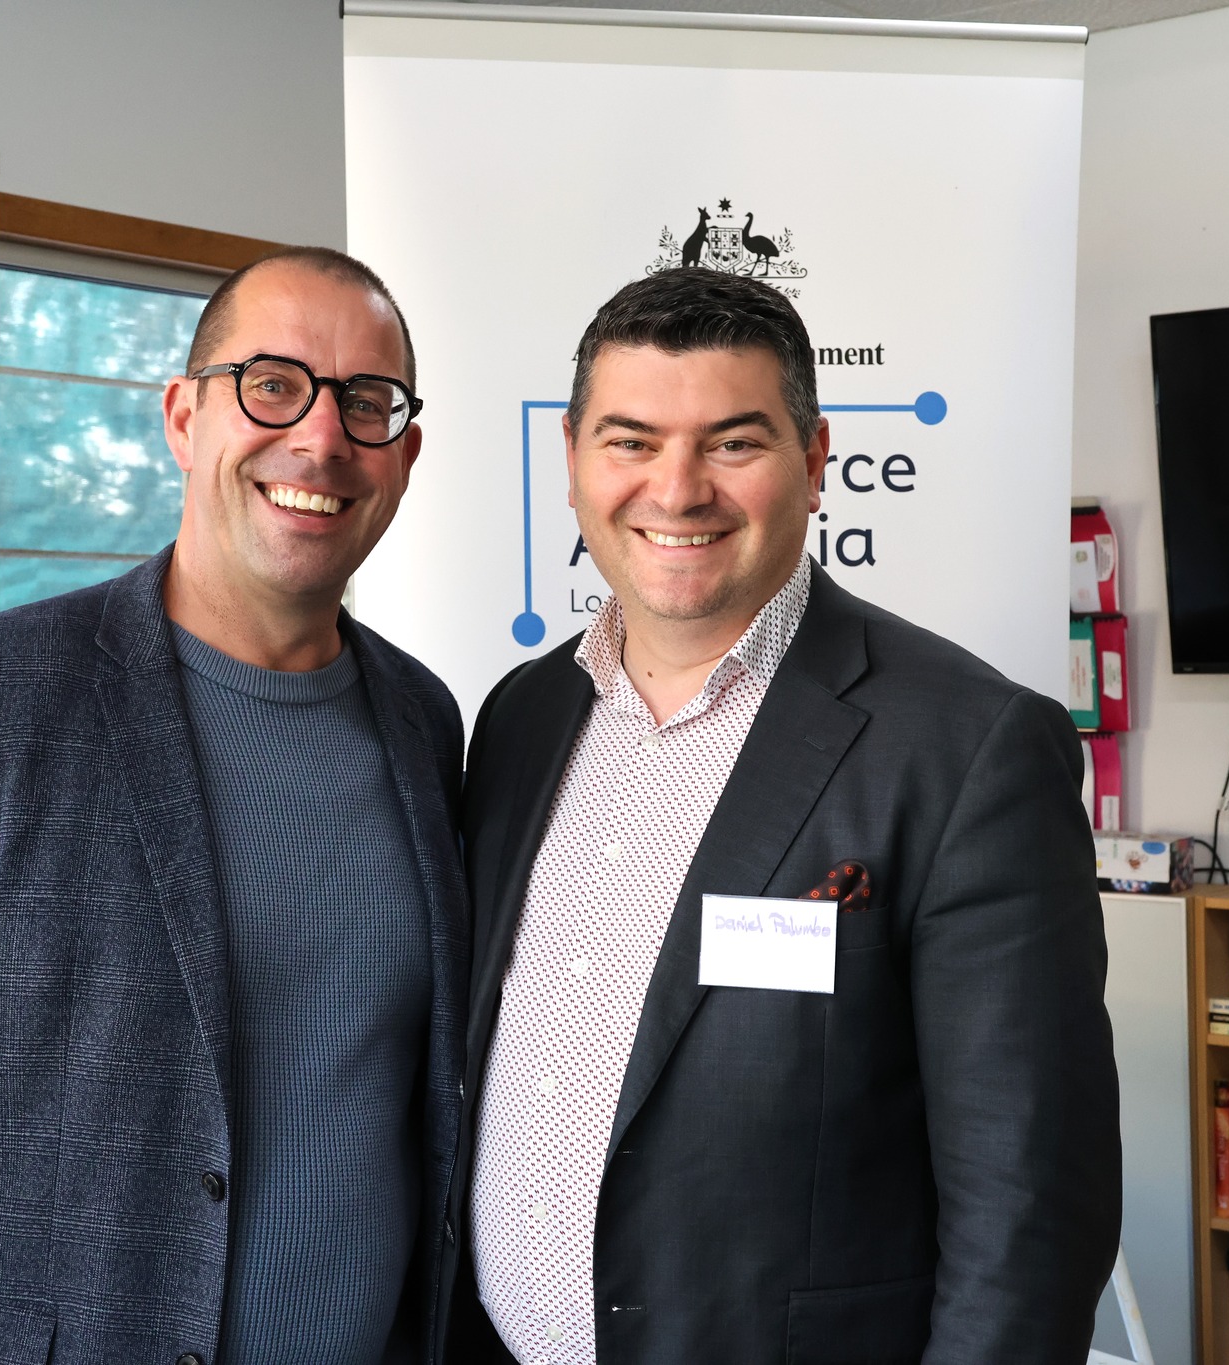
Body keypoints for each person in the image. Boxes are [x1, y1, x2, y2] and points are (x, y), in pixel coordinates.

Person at [0, 247, 469, 1365]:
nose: (318, 437)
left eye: (365, 403)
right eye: (271, 384)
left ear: (403, 453)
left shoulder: (422, 721)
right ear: (181, 416)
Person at [441, 268, 1121, 1364]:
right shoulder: (521, 716)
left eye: (732, 442)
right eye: (629, 441)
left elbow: (1029, 1197)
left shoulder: (966, 747)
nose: (676, 489)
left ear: (811, 463)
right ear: (569, 460)